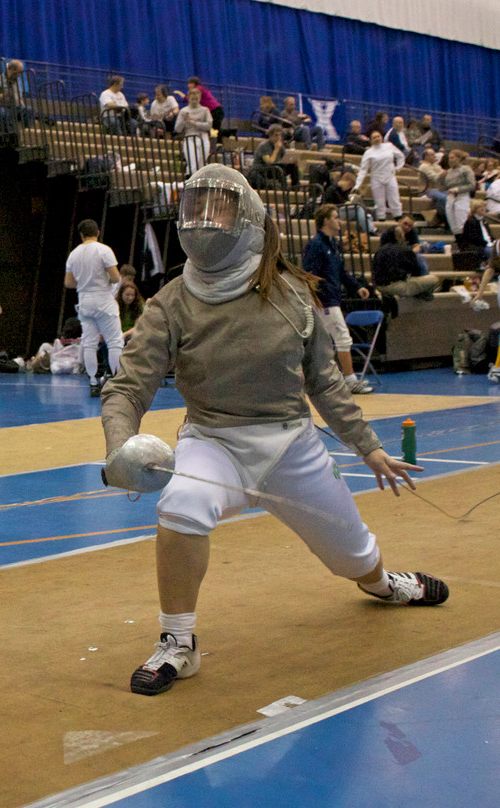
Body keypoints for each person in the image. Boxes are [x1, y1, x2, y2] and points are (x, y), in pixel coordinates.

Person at [100, 165, 448, 698]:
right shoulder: (171, 302)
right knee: (180, 507)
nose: (203, 221)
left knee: (352, 557)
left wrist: (370, 448)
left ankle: (384, 585)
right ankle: (179, 641)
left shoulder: (291, 297)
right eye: (196, 209)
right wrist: (120, 447)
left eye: (218, 210)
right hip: (212, 440)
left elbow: (327, 385)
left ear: (251, 223)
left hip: (290, 445)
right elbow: (127, 387)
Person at [303, 205, 374, 394]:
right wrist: (317, 296)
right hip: (324, 301)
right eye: (336, 217)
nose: (340, 221)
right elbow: (309, 273)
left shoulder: (332, 244)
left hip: (332, 299)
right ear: (326, 220)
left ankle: (328, 379)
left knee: (324, 343)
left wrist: (357, 287)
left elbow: (341, 271)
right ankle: (350, 381)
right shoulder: (316, 245)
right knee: (342, 338)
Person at [64, 219, 122, 397]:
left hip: (85, 300)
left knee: (89, 342)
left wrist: (85, 281)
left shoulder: (74, 254)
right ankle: (119, 381)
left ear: (81, 235)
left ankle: (93, 382)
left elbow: (69, 282)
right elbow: (115, 277)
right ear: (97, 232)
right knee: (114, 341)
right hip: (103, 298)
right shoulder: (104, 250)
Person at [372, 227, 440, 299]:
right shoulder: (404, 250)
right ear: (399, 236)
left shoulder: (379, 252)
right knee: (434, 279)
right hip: (397, 287)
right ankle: (419, 294)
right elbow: (416, 271)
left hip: (379, 287)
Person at [354, 131, 405, 221]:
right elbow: (363, 170)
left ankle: (398, 216)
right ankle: (381, 218)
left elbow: (401, 156)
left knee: (394, 198)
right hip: (376, 178)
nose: (377, 138)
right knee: (379, 200)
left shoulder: (389, 146)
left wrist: (398, 168)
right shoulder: (368, 153)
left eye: (378, 136)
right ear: (370, 140)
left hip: (390, 176)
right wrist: (357, 185)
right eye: (374, 137)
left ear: (381, 137)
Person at [174, 88, 212, 178]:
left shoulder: (205, 110)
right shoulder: (183, 111)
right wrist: (184, 120)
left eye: (196, 99)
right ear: (188, 99)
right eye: (192, 99)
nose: (194, 101)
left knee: (202, 163)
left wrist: (195, 123)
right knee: (192, 163)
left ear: (199, 99)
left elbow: (209, 125)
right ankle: (190, 181)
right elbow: (177, 129)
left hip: (203, 137)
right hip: (189, 137)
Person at [0, 58, 33, 131]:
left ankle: (27, 134)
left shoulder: (17, 80)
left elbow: (19, 96)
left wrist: (22, 104)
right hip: (4, 107)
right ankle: (12, 137)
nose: (20, 75)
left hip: (16, 107)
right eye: (19, 72)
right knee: (5, 115)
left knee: (29, 112)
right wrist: (2, 96)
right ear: (11, 69)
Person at [444, 149, 477, 233]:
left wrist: (458, 189)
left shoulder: (466, 170)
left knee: (462, 223)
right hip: (450, 198)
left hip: (462, 197)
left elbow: (472, 185)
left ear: (459, 159)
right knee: (453, 226)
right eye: (449, 158)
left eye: (453, 158)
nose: (450, 160)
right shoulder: (448, 172)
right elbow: (446, 186)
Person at [457, 200, 496, 265]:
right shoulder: (471, 221)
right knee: (492, 251)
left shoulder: (484, 221)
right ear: (474, 209)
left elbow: (489, 235)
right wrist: (487, 243)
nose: (483, 208)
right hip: (478, 246)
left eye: (484, 206)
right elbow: (473, 238)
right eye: (480, 207)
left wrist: (494, 242)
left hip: (488, 244)